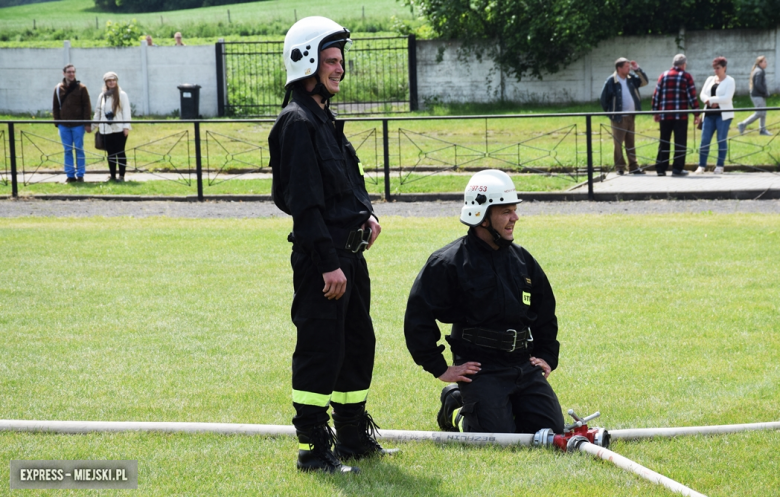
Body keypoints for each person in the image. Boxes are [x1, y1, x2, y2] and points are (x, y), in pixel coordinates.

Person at [268, 16, 396, 474]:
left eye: (341, 60)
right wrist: (327, 264)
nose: (340, 68)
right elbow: (304, 204)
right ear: (306, 61)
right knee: (322, 349)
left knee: (357, 345)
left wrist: (369, 214)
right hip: (324, 261)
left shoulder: (324, 119)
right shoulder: (297, 122)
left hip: (350, 257)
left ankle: (354, 438)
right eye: (331, 60)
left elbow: (347, 182)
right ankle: (316, 450)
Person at [404, 169, 564, 436]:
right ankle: (456, 405)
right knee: (497, 438)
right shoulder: (447, 262)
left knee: (550, 431)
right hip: (480, 368)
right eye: (506, 212)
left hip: (523, 364)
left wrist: (547, 355)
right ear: (481, 217)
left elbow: (545, 309)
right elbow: (418, 316)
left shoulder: (523, 260)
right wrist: (440, 368)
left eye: (514, 210)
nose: (515, 218)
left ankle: (498, 405)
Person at [651, 54, 700, 176]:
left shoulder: (663, 75)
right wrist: (696, 113)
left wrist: (655, 111)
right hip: (680, 115)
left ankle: (661, 169)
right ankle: (677, 169)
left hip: (665, 115)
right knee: (680, 142)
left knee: (664, 141)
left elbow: (656, 95)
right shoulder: (686, 76)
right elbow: (691, 96)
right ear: (684, 64)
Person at [600, 57, 649, 175]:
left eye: (629, 66)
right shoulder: (611, 81)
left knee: (630, 142)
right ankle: (620, 167)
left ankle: (633, 167)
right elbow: (603, 100)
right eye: (627, 67)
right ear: (619, 68)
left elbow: (644, 82)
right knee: (618, 143)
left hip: (631, 116)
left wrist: (637, 69)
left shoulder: (631, 78)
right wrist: (612, 114)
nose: (629, 68)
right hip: (618, 117)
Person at [694, 57, 735, 175]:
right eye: (714, 68)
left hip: (723, 115)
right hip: (708, 114)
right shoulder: (710, 79)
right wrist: (707, 100)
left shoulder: (730, 81)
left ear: (724, 68)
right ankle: (701, 166)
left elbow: (727, 97)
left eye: (718, 68)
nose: (716, 71)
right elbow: (702, 94)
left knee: (721, 139)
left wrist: (713, 100)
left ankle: (720, 166)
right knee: (704, 140)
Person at [52, 64, 92, 183]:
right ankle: (70, 175)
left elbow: (87, 106)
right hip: (64, 125)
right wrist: (57, 122)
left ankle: (80, 175)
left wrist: (87, 123)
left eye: (73, 72)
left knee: (79, 149)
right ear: (63, 73)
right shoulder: (58, 88)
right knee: (67, 150)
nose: (71, 74)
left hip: (78, 125)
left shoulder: (81, 88)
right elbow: (55, 106)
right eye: (69, 72)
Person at [93, 71, 131, 182]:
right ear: (105, 82)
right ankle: (113, 175)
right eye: (109, 81)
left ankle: (122, 176)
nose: (111, 82)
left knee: (120, 151)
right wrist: (94, 125)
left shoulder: (122, 94)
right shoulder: (102, 95)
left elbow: (126, 111)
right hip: (106, 129)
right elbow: (98, 111)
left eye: (113, 80)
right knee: (110, 153)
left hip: (119, 128)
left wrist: (126, 127)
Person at [738, 56, 771, 136]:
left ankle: (762, 130)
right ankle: (743, 124)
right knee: (760, 113)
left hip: (759, 95)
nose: (766, 63)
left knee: (763, 113)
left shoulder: (759, 70)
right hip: (757, 95)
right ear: (760, 63)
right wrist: (765, 92)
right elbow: (757, 84)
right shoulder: (759, 71)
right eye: (765, 62)